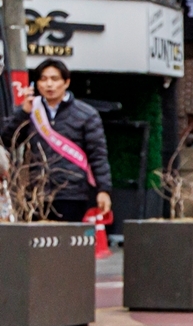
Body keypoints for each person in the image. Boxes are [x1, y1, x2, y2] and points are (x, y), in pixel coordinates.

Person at [1, 58, 112, 222]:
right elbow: (7, 142)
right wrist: (23, 113)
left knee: (67, 243)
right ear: (37, 84)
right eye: (43, 79)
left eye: (54, 79)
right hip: (36, 192)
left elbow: (98, 156)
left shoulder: (87, 114)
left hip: (72, 193)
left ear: (66, 82)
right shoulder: (31, 110)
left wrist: (104, 190)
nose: (49, 85)